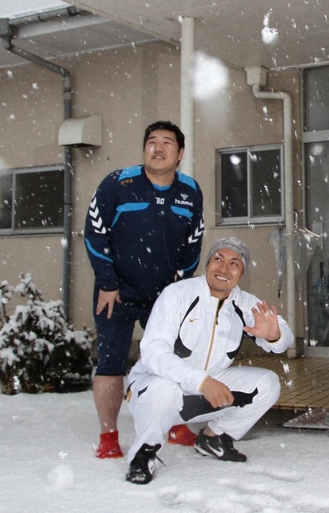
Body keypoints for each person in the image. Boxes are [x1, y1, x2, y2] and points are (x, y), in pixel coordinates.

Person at [124, 237, 293, 484]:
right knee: (163, 389)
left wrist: (275, 334)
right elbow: (153, 353)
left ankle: (215, 437)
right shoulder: (177, 295)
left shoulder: (244, 303)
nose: (224, 269)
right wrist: (202, 382)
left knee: (268, 384)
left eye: (234, 263)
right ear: (207, 265)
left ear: (241, 273)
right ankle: (144, 454)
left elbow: (283, 333)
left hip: (200, 392)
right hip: (153, 390)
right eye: (218, 259)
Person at [84, 120, 205, 459]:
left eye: (167, 142)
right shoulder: (118, 184)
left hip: (163, 298)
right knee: (110, 363)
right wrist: (107, 283)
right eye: (152, 141)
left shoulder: (190, 190)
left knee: (169, 361)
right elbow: (94, 234)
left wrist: (178, 290)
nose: (158, 147)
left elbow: (193, 244)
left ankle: (172, 423)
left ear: (179, 153)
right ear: (144, 149)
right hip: (116, 294)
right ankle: (108, 435)